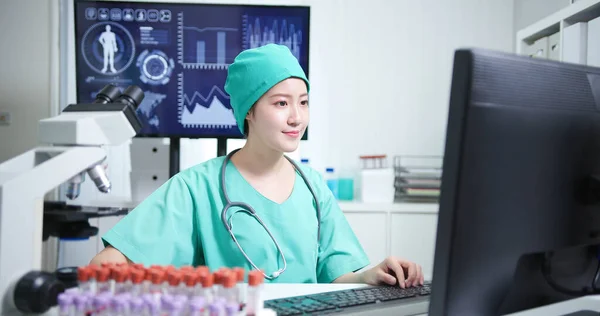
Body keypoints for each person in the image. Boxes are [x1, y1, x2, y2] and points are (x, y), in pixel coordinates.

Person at [90, 43, 424, 288]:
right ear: (248, 110)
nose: (297, 117)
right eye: (281, 103)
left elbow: (337, 274)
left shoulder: (312, 186)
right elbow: (111, 264)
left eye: (303, 103)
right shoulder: (196, 187)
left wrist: (373, 274)